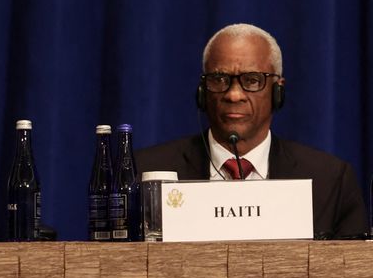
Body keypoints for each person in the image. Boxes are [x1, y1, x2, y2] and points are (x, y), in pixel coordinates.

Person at [135, 23, 368, 239]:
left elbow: (355, 274)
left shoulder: (329, 181)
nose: (234, 95)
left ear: (278, 92)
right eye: (219, 79)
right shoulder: (144, 173)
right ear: (202, 92)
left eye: (253, 80)